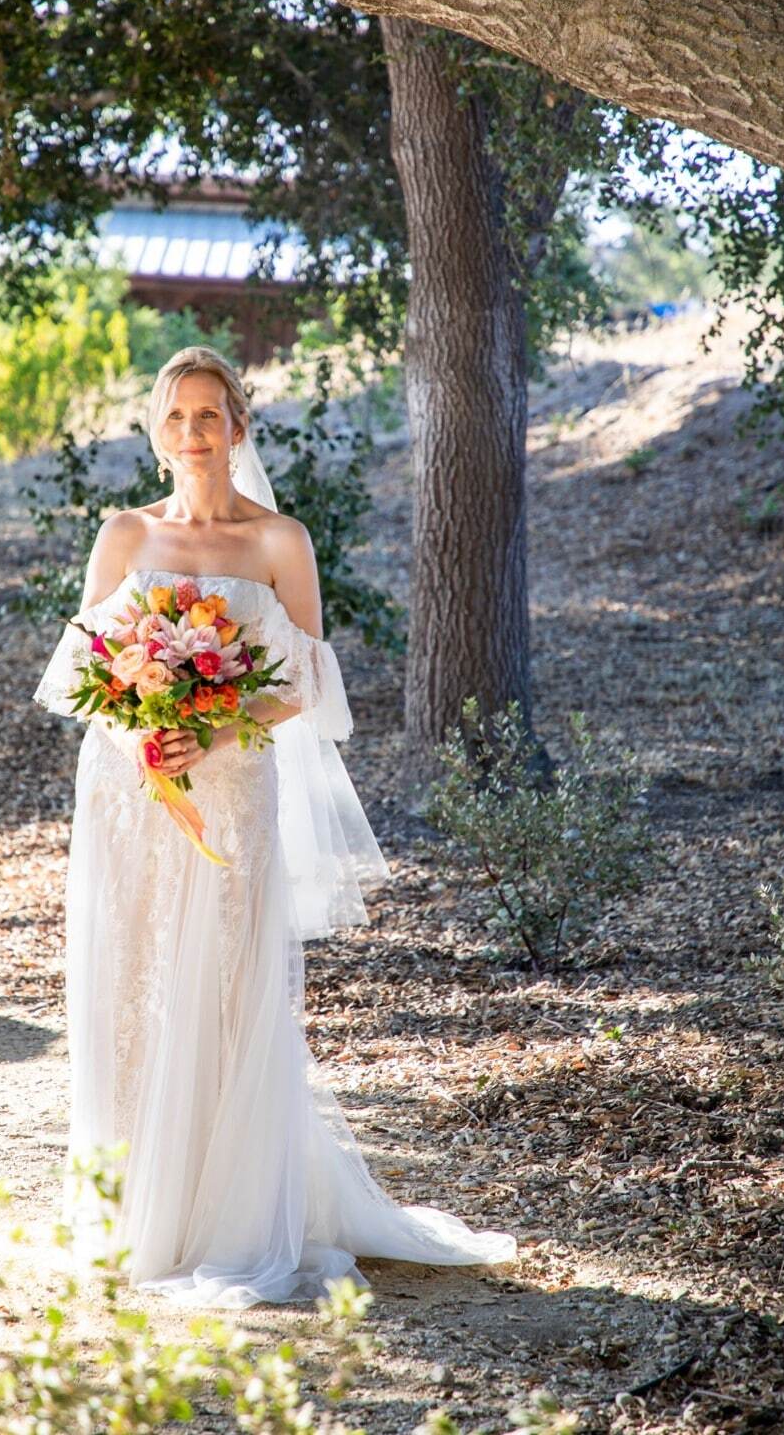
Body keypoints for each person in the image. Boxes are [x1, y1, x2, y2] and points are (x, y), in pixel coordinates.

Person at [32, 346, 517, 1309]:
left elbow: (309, 684)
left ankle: (225, 1212)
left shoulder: (277, 542)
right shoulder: (123, 534)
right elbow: (80, 670)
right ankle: (133, 1205)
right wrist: (144, 731)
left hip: (233, 790)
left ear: (239, 426)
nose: (191, 434)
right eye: (174, 417)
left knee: (222, 981)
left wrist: (206, 723)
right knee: (133, 978)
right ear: (156, 431)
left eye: (208, 415)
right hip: (131, 791)